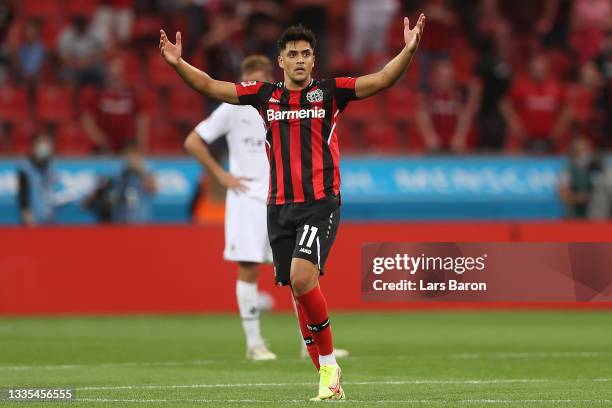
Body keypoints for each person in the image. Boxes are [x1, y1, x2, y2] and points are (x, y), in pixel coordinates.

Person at [159, 14, 426, 401]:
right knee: (297, 290)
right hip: (279, 207)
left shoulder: (331, 93)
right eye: (292, 54)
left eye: (305, 54)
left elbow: (382, 79)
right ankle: (326, 377)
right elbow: (210, 85)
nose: (299, 60)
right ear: (280, 61)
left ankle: (330, 365)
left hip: (320, 203)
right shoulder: (264, 96)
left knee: (303, 279)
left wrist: (408, 50)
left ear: (313, 60)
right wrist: (178, 64)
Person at [184, 55, 278, 361]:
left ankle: (311, 345)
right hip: (246, 195)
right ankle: (254, 344)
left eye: (259, 79)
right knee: (249, 266)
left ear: (269, 78)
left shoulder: (281, 104)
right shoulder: (232, 107)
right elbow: (193, 141)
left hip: (281, 196)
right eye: (248, 79)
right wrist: (221, 175)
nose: (253, 85)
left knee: (297, 271)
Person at [81, 57, 149, 153]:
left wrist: (141, 144)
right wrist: (98, 138)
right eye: (113, 75)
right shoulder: (98, 95)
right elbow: (87, 118)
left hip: (128, 145)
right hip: (104, 148)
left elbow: (142, 119)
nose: (115, 76)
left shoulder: (132, 95)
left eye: (118, 75)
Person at [17, 133, 58, 226]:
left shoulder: (51, 165)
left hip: (50, 219)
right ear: (33, 145)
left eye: (47, 142)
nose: (44, 145)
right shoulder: (25, 167)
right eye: (41, 142)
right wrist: (27, 216)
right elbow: (22, 194)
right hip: (32, 221)